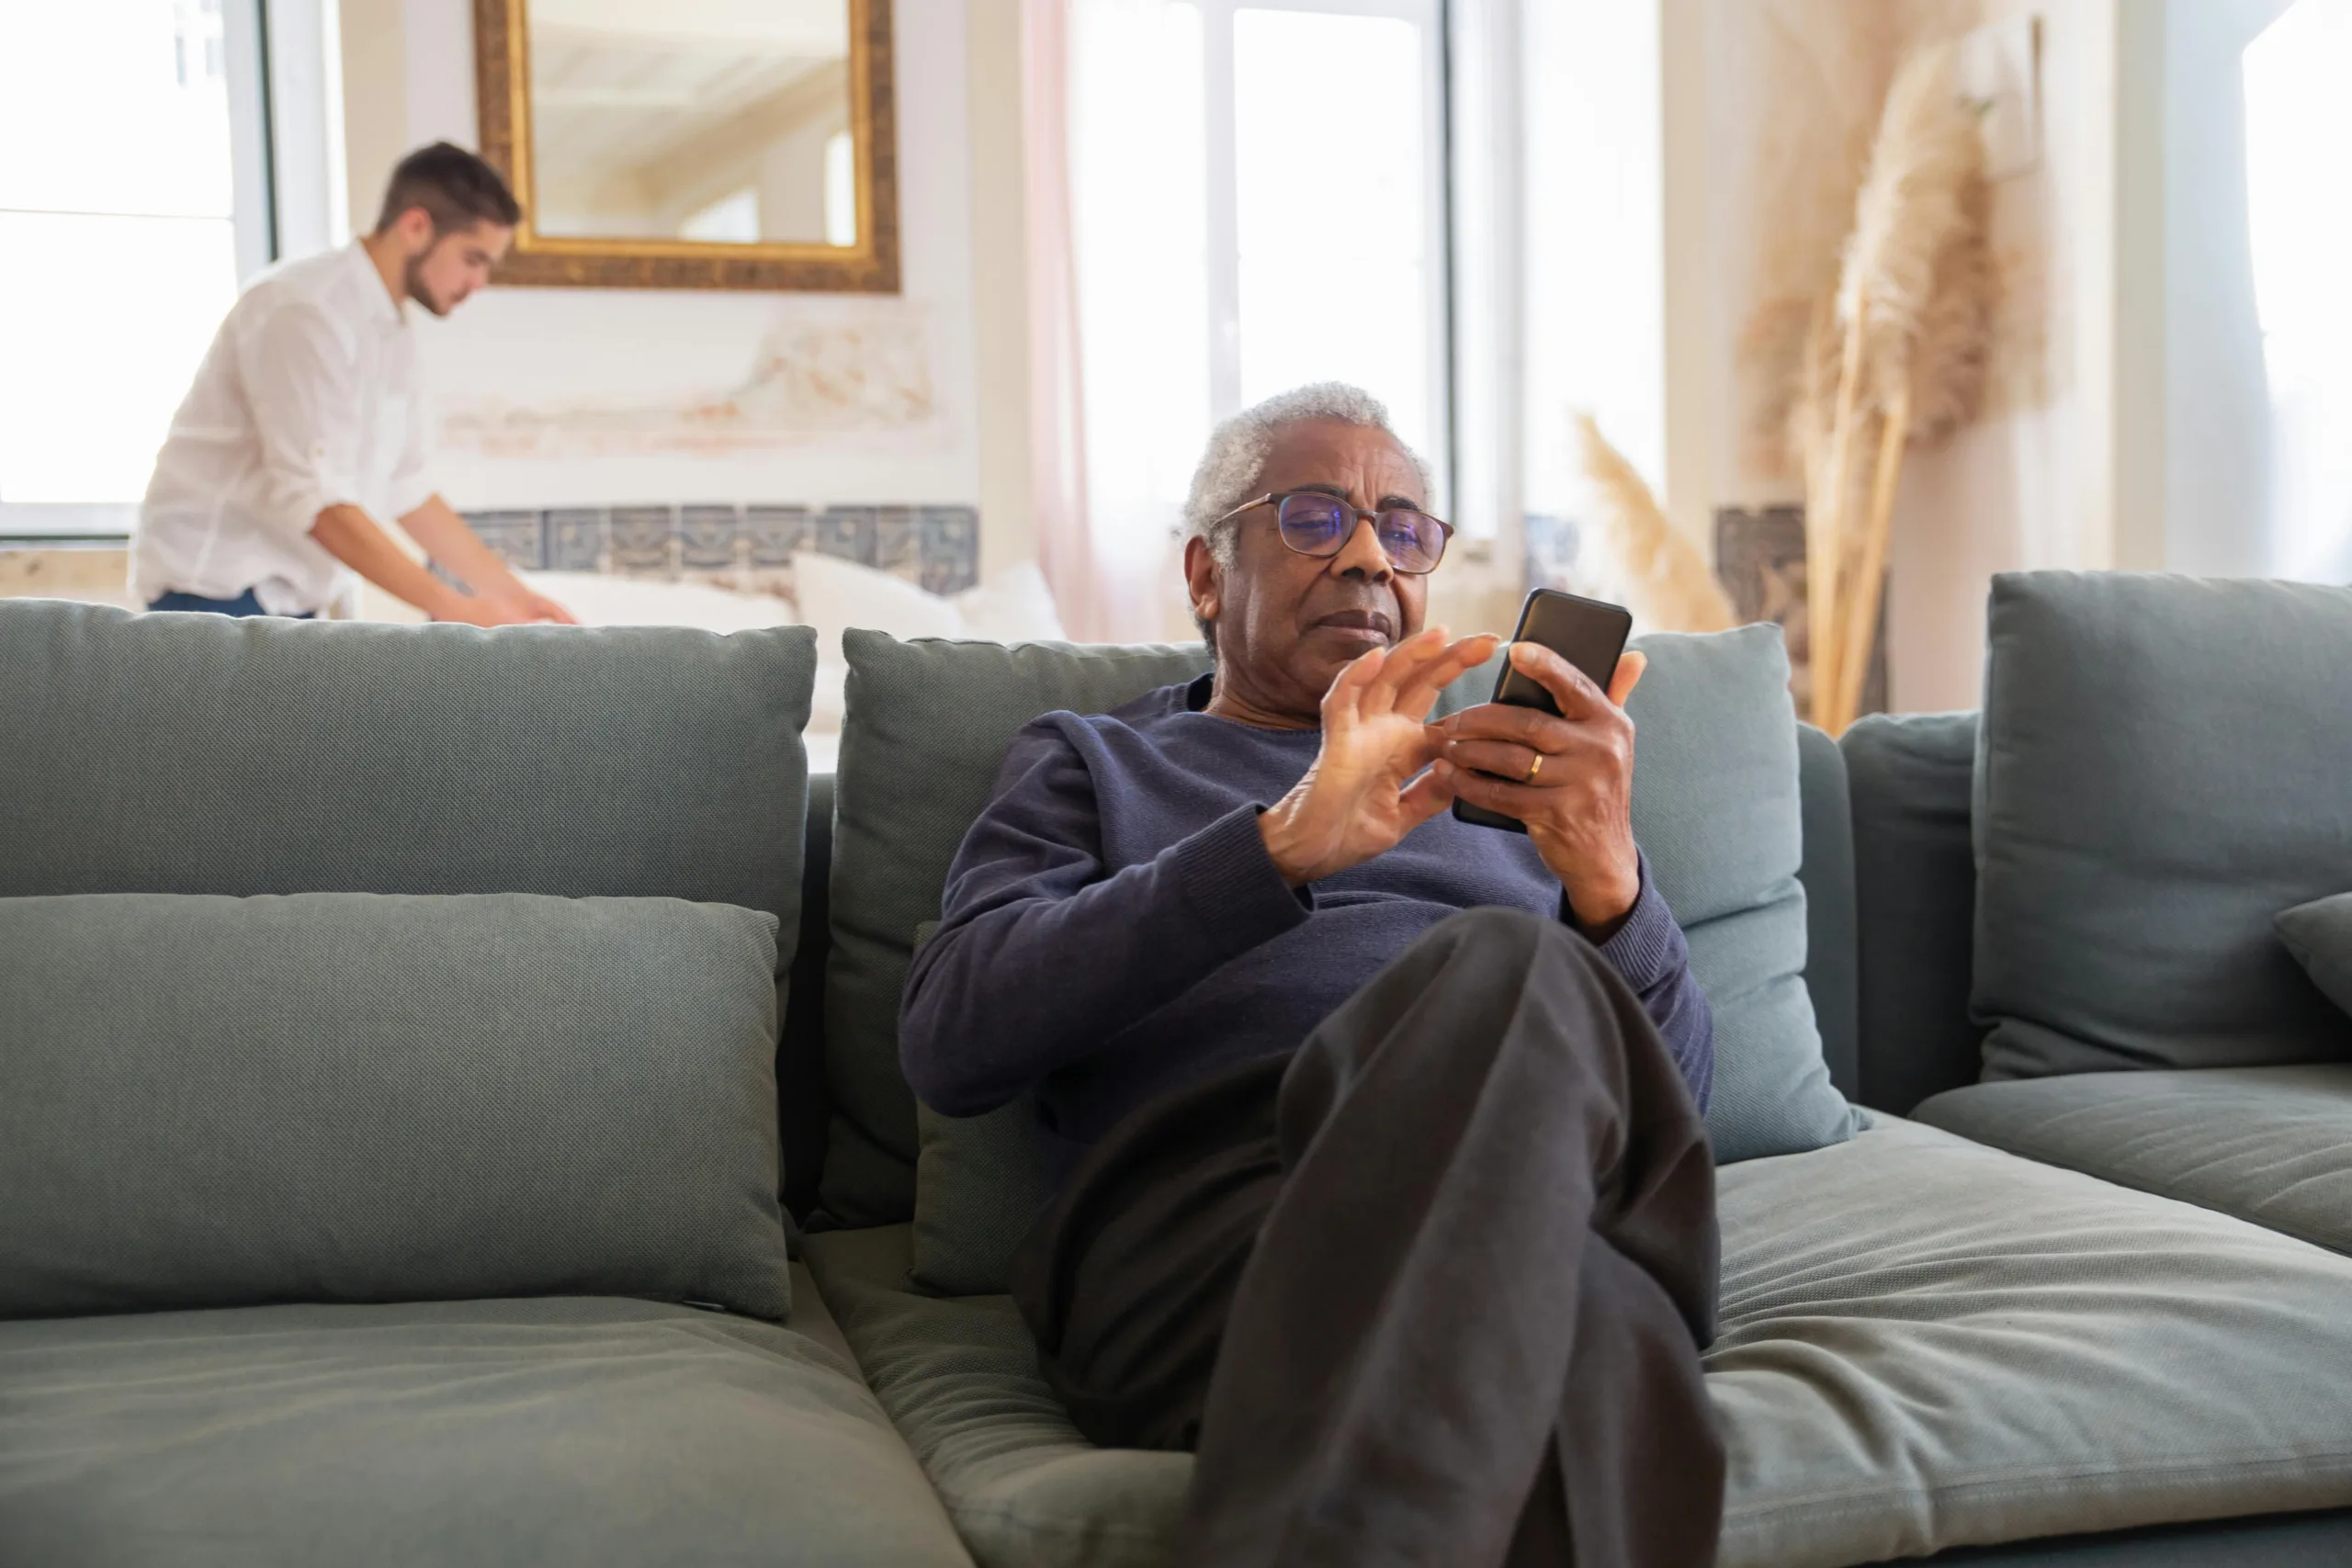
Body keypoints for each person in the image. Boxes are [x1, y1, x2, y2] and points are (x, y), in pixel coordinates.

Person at [899, 382, 1724, 1567]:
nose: (1364, 559)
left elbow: (1677, 1121)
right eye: (1311, 518)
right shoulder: (1093, 760)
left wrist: (1608, 879)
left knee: (1518, 994)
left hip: (1544, 1206)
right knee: (1597, 1328)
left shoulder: (1508, 791)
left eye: (1401, 530)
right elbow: (951, 1036)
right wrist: (1276, 845)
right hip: (1214, 1224)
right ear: (1203, 575)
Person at [132, 142, 572, 625]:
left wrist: (515, 598)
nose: (480, 283)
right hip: (212, 597)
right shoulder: (303, 309)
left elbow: (407, 487)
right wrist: (457, 609)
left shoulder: (390, 328)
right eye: (473, 259)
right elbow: (320, 506)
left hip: (285, 602)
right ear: (415, 227)